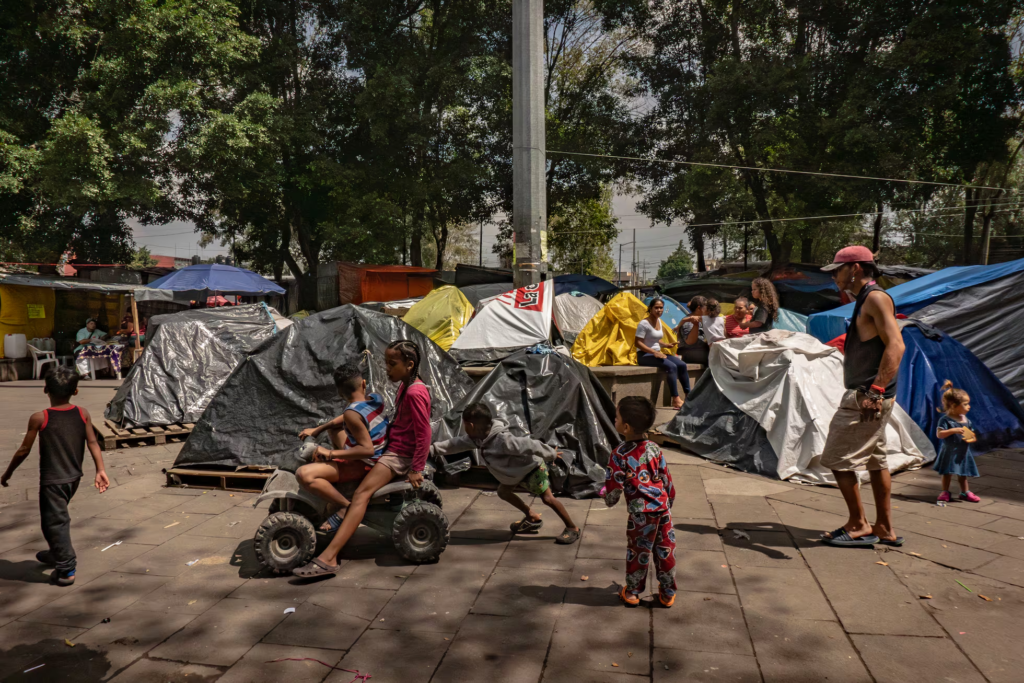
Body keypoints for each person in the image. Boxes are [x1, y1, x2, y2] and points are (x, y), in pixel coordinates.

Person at [293, 340, 431, 578]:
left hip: (398, 455)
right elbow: (353, 416)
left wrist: (416, 468)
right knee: (336, 433)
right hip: (390, 445)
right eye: (386, 363)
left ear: (409, 365)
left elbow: (424, 432)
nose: (387, 368)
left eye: (392, 364)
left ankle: (329, 558)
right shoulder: (404, 385)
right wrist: (319, 429)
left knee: (361, 495)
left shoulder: (414, 392)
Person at [818, 246, 905, 548]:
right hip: (870, 396)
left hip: (866, 398)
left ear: (854, 268)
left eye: (837, 270)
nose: (834, 276)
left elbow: (896, 345)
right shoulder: (865, 299)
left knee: (836, 458)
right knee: (876, 462)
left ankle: (859, 524)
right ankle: (884, 528)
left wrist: (876, 390)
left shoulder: (875, 298)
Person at [1, 367, 110, 586]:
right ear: (75, 391)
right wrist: (100, 469)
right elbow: (92, 442)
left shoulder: (40, 417)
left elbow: (24, 450)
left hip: (53, 481)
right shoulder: (82, 413)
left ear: (45, 390)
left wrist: (7, 473)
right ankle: (56, 552)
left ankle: (67, 568)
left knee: (55, 522)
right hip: (73, 477)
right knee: (53, 518)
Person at [430, 402, 581, 544]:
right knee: (503, 492)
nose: (464, 428)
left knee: (548, 499)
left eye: (464, 424)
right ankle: (532, 516)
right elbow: (455, 444)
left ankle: (572, 528)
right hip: (514, 474)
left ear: (470, 425)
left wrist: (551, 454)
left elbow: (530, 444)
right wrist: (431, 450)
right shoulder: (477, 439)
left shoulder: (503, 440)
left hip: (532, 470)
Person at [295, 362, 389, 533]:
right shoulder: (376, 398)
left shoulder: (352, 414)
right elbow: (348, 417)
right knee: (333, 428)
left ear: (340, 393)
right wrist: (318, 429)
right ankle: (336, 467)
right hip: (378, 449)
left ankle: (346, 506)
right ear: (363, 384)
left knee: (303, 474)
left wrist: (330, 453)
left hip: (366, 462)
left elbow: (367, 450)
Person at [603, 396, 676, 608]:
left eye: (616, 418)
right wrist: (669, 501)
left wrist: (608, 497)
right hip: (663, 509)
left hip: (640, 514)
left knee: (638, 551)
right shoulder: (654, 448)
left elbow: (612, 489)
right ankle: (667, 593)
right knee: (665, 550)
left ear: (625, 427)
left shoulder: (618, 454)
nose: (614, 420)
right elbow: (667, 479)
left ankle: (633, 592)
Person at [933, 380, 981, 503]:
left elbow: (971, 433)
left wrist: (971, 438)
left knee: (963, 473)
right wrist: (953, 430)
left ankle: (965, 492)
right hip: (949, 451)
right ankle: (945, 491)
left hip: (962, 452)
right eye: (965, 404)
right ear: (954, 405)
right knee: (947, 473)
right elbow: (939, 434)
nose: (969, 406)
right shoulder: (945, 420)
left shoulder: (966, 420)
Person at [635, 298, 688, 410]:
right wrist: (654, 352)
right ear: (650, 308)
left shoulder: (659, 321)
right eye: (656, 308)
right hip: (644, 356)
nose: (659, 310)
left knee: (682, 365)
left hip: (657, 354)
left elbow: (654, 340)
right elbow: (638, 343)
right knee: (672, 366)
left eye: (661, 308)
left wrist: (666, 345)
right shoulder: (644, 323)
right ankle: (676, 399)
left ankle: (689, 396)